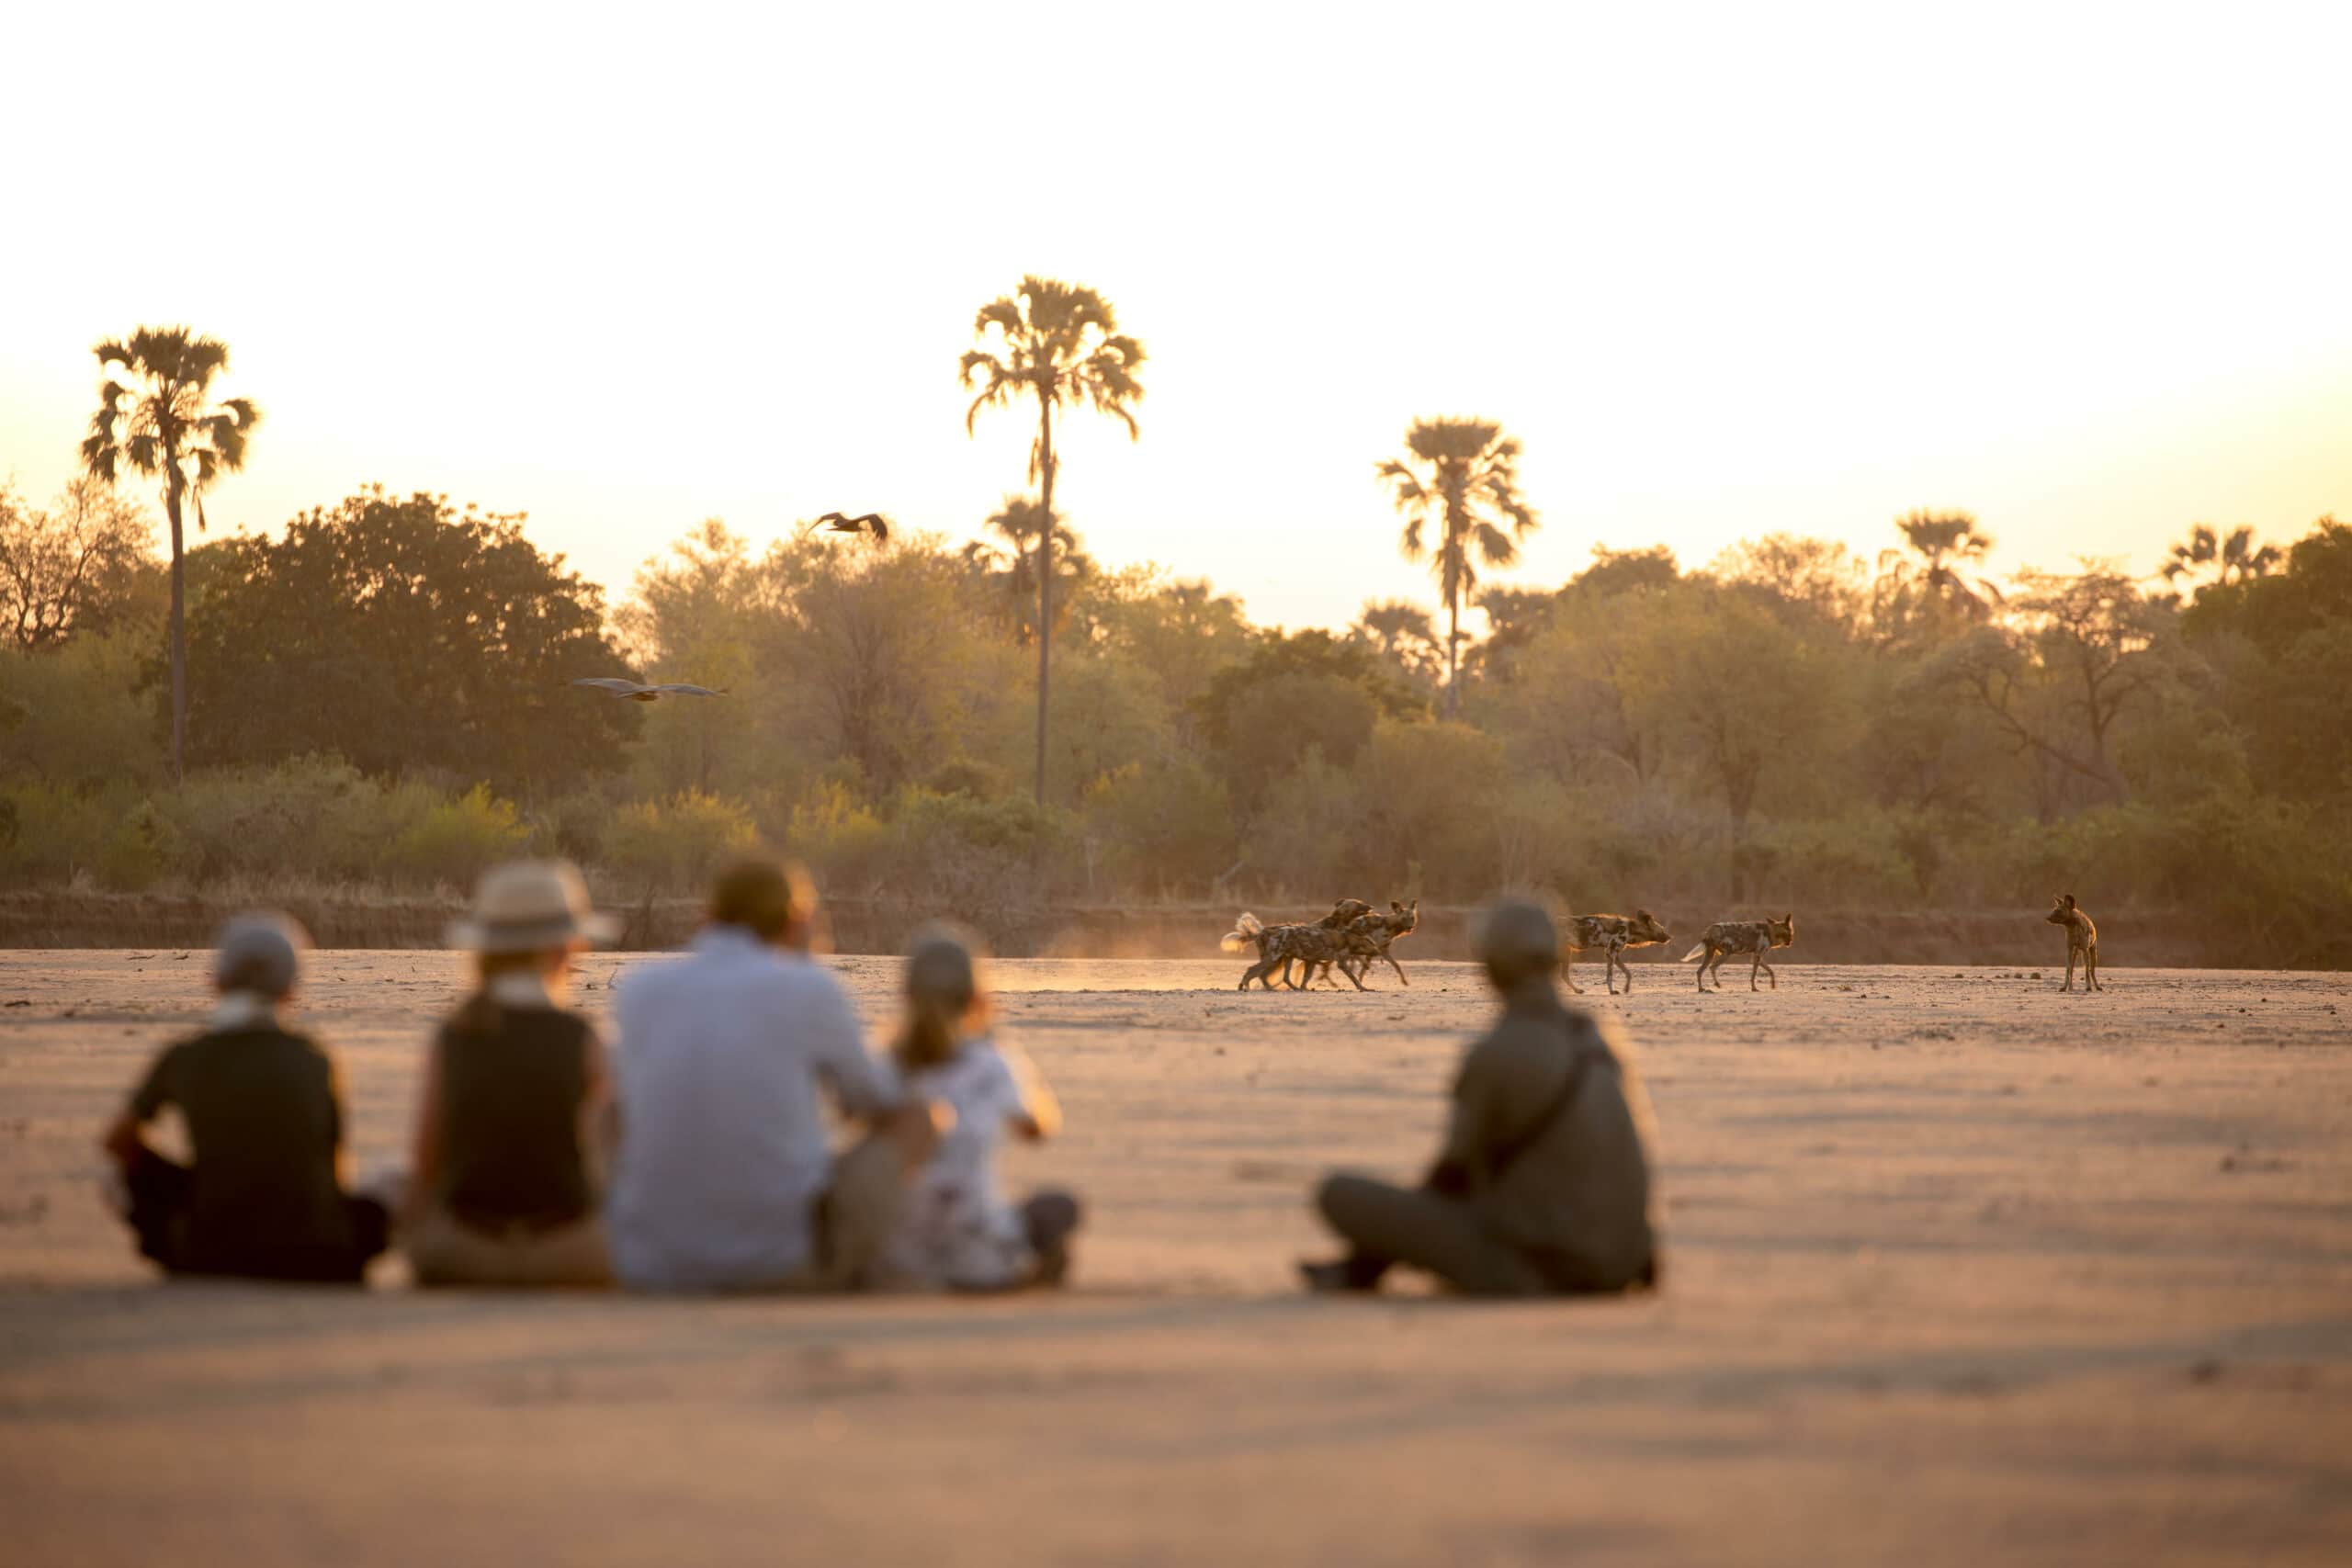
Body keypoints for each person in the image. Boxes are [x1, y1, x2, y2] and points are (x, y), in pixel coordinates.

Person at [605, 858, 938, 1292]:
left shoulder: (640, 988)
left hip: (649, 1265)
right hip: (779, 1262)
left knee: (609, 1111)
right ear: (796, 921)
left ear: (707, 916)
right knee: (920, 1119)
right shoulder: (810, 987)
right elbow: (875, 1099)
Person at [1300, 898, 1661, 1297]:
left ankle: (1361, 1271)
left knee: (1338, 1193)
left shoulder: (1498, 1050)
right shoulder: (1596, 1040)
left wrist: (1370, 1259)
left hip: (1543, 1268)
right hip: (1624, 1261)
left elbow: (1452, 1174)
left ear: (1490, 967)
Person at [99, 913, 390, 1283]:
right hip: (316, 1253)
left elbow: (117, 1142)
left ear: (217, 981)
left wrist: (181, 1182)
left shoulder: (184, 1056)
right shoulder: (315, 1059)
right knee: (392, 1177)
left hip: (206, 1250)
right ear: (291, 989)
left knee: (114, 1175)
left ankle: (177, 1242)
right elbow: (333, 1168)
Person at [402, 861, 616, 1288]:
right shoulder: (580, 1037)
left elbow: (427, 1160)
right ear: (563, 949)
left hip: (461, 1254)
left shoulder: (454, 1035)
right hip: (569, 1254)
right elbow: (612, 1152)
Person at [881, 926, 1081, 1291]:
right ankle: (1024, 1264)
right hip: (981, 1259)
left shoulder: (888, 1063)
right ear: (976, 996)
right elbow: (1038, 1129)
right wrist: (1000, 1047)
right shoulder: (991, 1060)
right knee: (1060, 1206)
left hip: (900, 1255)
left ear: (906, 995)